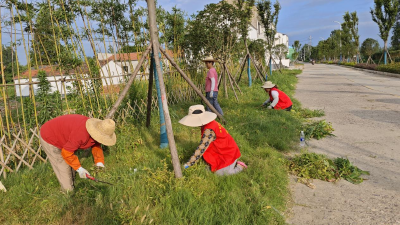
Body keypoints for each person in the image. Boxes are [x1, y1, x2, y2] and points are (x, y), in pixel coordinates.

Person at [39, 114, 116, 191]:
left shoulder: (94, 130)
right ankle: (67, 193)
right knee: (63, 167)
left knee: (71, 167)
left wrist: (99, 162)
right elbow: (66, 153)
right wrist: (80, 169)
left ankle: (72, 182)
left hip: (64, 137)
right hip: (50, 136)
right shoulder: (81, 134)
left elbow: (96, 145)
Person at [179, 105, 247, 176]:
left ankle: (240, 167)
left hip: (228, 153)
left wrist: (189, 163)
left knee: (220, 174)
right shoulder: (210, 123)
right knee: (210, 168)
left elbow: (202, 147)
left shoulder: (209, 130)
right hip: (223, 149)